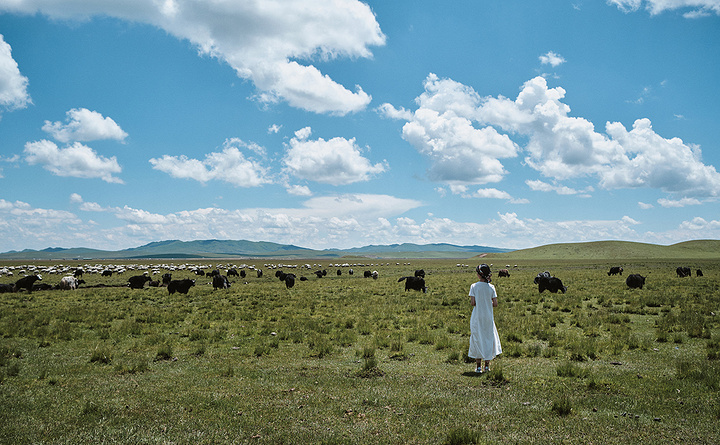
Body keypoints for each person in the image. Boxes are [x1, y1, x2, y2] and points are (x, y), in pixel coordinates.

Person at [468, 264, 502, 373]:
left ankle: (478, 367)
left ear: (479, 274)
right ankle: (487, 366)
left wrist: (480, 302)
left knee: (477, 338)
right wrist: (487, 302)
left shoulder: (473, 286)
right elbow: (495, 303)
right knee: (488, 338)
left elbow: (473, 303)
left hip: (477, 316)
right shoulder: (491, 287)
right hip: (488, 316)